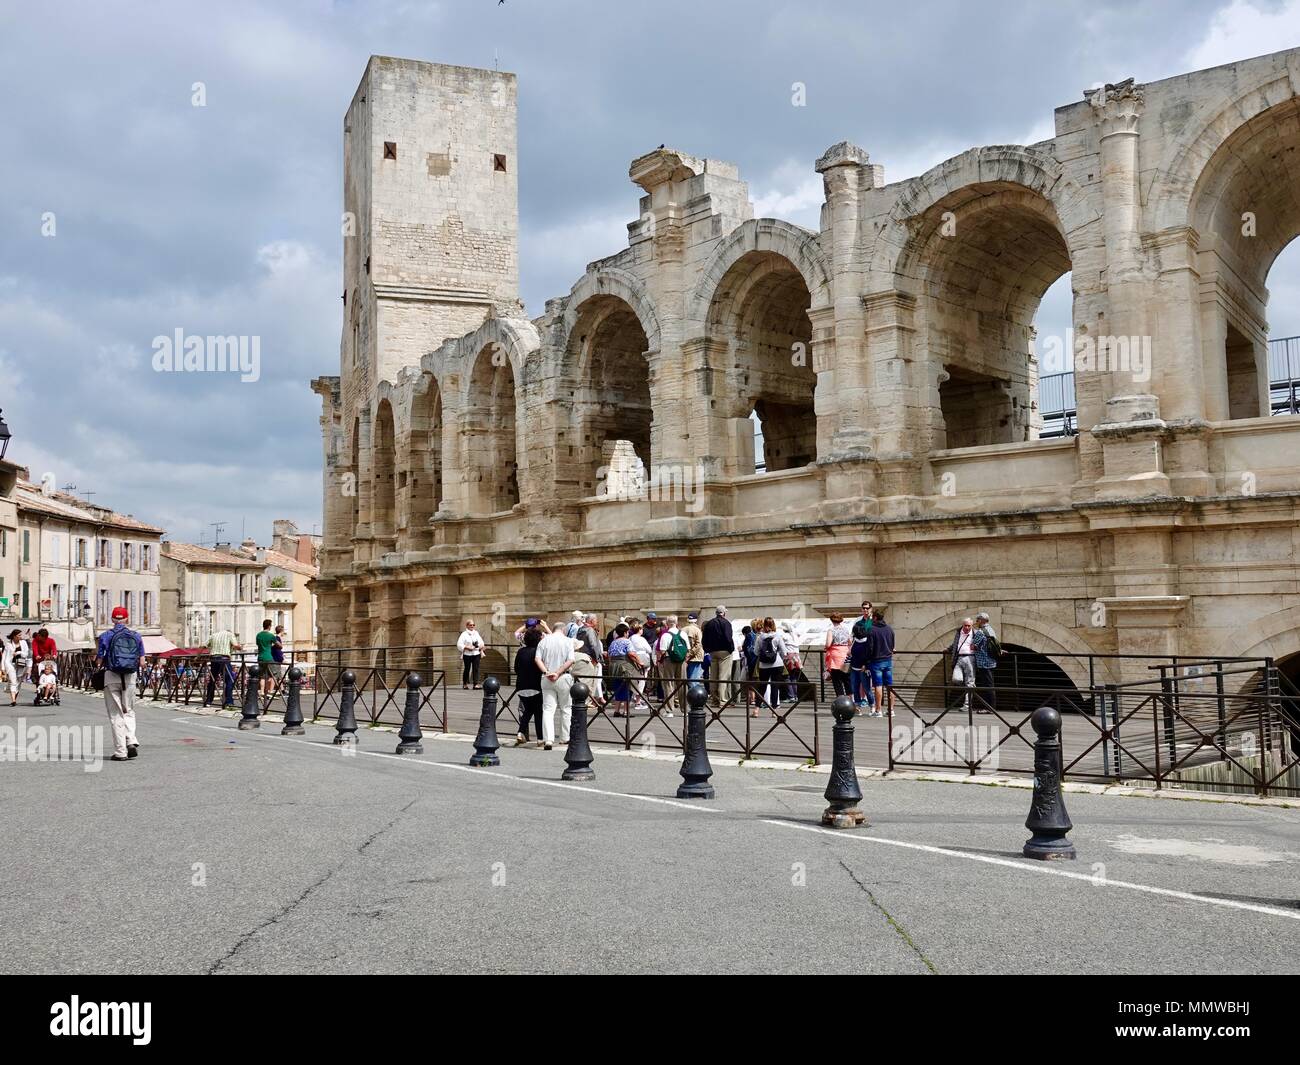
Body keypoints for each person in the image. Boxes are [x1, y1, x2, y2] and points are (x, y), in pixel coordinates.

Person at [96, 605, 144, 762]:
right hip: (130, 676)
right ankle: (131, 740)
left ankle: (120, 752)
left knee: (116, 715)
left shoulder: (105, 636)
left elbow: (99, 661)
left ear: (112, 619)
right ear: (127, 619)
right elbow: (142, 662)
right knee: (128, 710)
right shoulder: (136, 636)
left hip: (112, 676)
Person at [535, 620, 576, 751]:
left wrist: (547, 672)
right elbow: (571, 660)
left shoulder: (544, 641)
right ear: (563, 630)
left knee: (547, 710)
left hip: (546, 677)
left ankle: (548, 739)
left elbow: (537, 659)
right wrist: (558, 673)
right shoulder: (568, 641)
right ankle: (565, 737)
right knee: (566, 708)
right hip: (563, 676)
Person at [512, 628, 544, 746]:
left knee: (528, 710)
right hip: (535, 685)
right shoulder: (538, 651)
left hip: (521, 686)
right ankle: (540, 738)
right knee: (538, 712)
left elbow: (516, 668)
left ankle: (521, 732)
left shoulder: (521, 651)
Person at [863, 608, 895, 718]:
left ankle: (878, 710)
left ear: (875, 618)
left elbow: (869, 648)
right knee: (889, 685)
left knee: (878, 685)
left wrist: (866, 663)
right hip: (888, 660)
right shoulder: (889, 629)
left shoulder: (872, 630)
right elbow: (892, 645)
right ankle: (891, 710)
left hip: (876, 661)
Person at [754, 617, 790, 713]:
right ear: (773, 625)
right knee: (775, 686)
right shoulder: (778, 636)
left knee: (762, 687)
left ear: (764, 625)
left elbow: (756, 652)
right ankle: (774, 711)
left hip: (763, 665)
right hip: (777, 664)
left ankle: (756, 709)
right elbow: (784, 652)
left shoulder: (760, 637)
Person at [702, 606, 735, 706]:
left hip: (712, 651)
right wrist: (731, 649)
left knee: (714, 676)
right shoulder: (726, 623)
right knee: (723, 676)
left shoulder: (709, 623)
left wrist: (707, 649)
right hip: (724, 651)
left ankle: (715, 699)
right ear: (724, 613)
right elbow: (728, 638)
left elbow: (704, 639)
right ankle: (723, 700)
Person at [655, 615, 685, 717]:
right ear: (676, 623)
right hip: (682, 661)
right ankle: (684, 710)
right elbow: (688, 649)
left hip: (669, 660)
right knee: (682, 684)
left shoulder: (665, 635)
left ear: (667, 624)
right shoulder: (683, 634)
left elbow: (662, 650)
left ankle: (669, 710)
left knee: (669, 684)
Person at [205, 623, 240, 707]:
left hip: (214, 658)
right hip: (224, 659)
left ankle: (208, 701)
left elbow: (203, 645)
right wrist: (239, 647)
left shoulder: (214, 635)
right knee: (229, 680)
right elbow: (235, 645)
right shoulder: (230, 635)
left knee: (213, 679)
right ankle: (229, 701)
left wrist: (197, 656)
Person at [972, 611, 1001, 713]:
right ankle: (990, 707)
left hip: (983, 662)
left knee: (987, 686)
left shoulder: (980, 632)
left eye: (977, 620)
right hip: (991, 661)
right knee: (990, 684)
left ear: (982, 620)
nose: (976, 621)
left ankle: (989, 708)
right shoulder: (991, 630)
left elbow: (973, 645)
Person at [606, 622, 634, 717]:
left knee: (617, 687)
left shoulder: (613, 642)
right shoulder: (627, 641)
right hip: (624, 666)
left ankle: (616, 710)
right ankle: (626, 711)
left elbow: (609, 655)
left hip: (613, 666)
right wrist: (639, 662)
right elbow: (631, 653)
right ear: (625, 632)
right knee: (627, 687)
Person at [950, 617, 977, 710]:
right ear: (962, 625)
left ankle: (967, 705)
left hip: (970, 658)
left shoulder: (975, 633)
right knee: (956, 679)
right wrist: (948, 649)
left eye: (969, 626)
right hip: (959, 658)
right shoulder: (958, 632)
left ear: (972, 626)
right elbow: (955, 644)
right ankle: (967, 686)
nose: (967, 627)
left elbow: (983, 644)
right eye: (965, 625)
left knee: (970, 682)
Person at [848, 618, 874, 713]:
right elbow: (851, 652)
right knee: (855, 687)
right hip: (854, 667)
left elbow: (869, 654)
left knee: (867, 689)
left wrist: (865, 665)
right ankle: (857, 706)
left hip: (863, 668)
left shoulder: (867, 641)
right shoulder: (855, 640)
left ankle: (872, 705)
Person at [824, 612, 852, 698]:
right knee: (847, 679)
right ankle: (850, 700)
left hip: (835, 657)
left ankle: (841, 700)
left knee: (837, 680)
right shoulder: (846, 630)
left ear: (831, 620)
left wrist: (825, 646)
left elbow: (828, 644)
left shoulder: (831, 630)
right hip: (845, 656)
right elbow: (850, 642)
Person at [627, 619, 653, 711]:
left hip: (632, 658)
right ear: (639, 630)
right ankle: (638, 700)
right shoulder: (641, 639)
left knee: (634, 679)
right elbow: (649, 649)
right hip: (642, 658)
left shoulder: (630, 638)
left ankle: (635, 697)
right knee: (642, 679)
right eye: (641, 629)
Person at [3, 628, 28, 706]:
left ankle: (10, 690)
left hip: (21, 664)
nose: (21, 636)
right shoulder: (8, 644)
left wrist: (18, 652)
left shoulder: (23, 642)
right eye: (19, 635)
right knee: (14, 681)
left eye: (21, 635)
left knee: (18, 681)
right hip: (10, 664)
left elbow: (26, 654)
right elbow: (4, 656)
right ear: (14, 636)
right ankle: (13, 700)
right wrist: (3, 668)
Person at [457, 619, 485, 689]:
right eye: (470, 625)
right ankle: (465, 683)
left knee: (476, 669)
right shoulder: (464, 634)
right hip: (467, 654)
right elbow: (459, 644)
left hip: (476, 653)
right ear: (467, 626)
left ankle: (476, 684)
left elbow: (481, 642)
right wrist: (467, 647)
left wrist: (481, 646)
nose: (472, 626)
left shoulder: (476, 633)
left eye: (473, 625)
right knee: (467, 669)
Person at [255, 619, 278, 698]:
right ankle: (270, 692)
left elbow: (258, 645)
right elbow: (279, 645)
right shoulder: (271, 635)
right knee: (273, 675)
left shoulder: (258, 635)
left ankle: (261, 692)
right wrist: (273, 646)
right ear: (269, 626)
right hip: (268, 657)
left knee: (262, 676)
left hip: (260, 657)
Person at [682, 612, 705, 683]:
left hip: (684, 657)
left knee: (686, 680)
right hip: (695, 658)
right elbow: (698, 645)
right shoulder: (697, 630)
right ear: (696, 620)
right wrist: (690, 654)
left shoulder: (682, 630)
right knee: (694, 680)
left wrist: (686, 655)